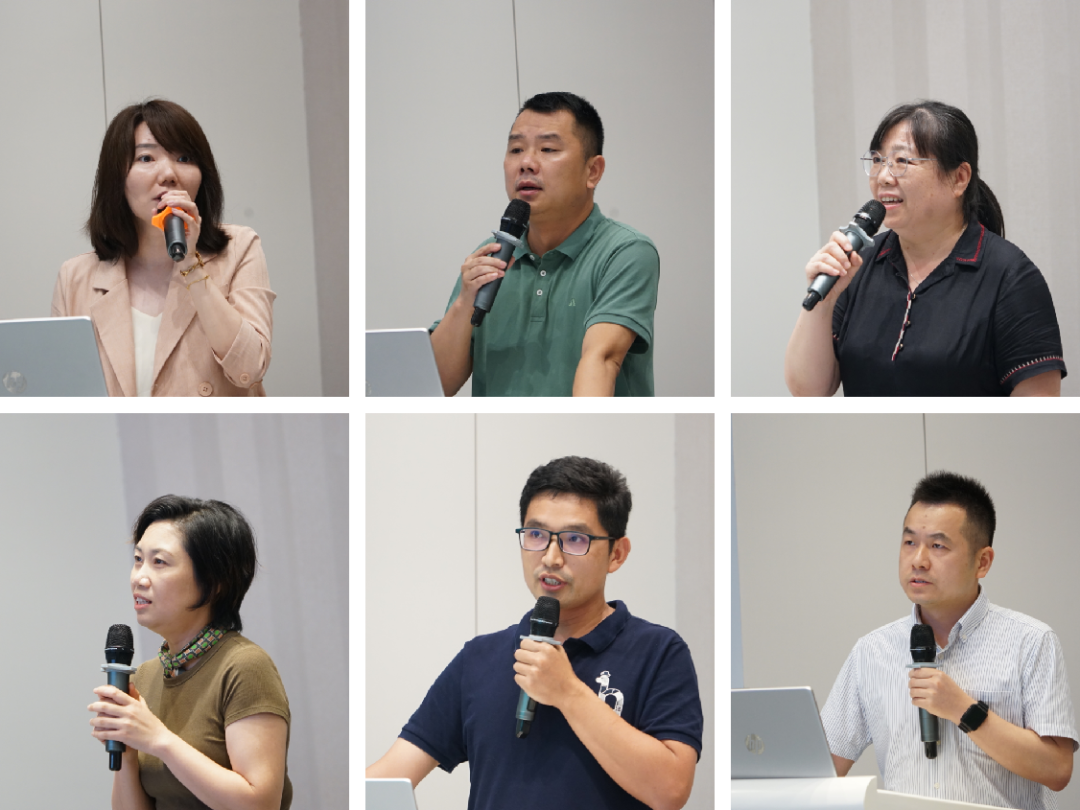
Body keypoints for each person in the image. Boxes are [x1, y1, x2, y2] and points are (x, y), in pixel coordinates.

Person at [366, 456, 703, 809]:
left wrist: (568, 692)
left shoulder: (659, 651)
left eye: (575, 539)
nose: (551, 558)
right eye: (537, 535)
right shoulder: (479, 658)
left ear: (616, 554)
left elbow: (670, 790)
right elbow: (391, 775)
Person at [821, 471, 1077, 808]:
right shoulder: (871, 651)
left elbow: (1057, 770)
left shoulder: (1031, 642)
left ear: (982, 562)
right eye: (910, 542)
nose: (918, 560)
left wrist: (963, 709)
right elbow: (823, 770)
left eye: (938, 546)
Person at [785, 100, 1066, 397]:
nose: (883, 176)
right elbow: (809, 391)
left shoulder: (1011, 276)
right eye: (878, 160)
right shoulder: (858, 264)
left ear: (959, 178)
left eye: (902, 161)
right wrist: (825, 301)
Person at [429, 92, 659, 397]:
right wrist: (463, 303)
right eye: (516, 149)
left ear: (593, 171)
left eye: (548, 149)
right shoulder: (490, 256)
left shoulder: (624, 252)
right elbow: (432, 388)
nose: (526, 163)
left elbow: (602, 359)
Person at [53, 98, 275, 396]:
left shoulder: (240, 248)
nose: (169, 174)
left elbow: (250, 367)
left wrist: (191, 265)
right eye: (146, 158)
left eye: (184, 158)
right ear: (116, 177)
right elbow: (62, 389)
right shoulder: (75, 277)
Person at [88, 495, 293, 808]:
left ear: (213, 581)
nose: (139, 577)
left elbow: (259, 804)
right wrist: (127, 751)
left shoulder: (244, 666)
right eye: (138, 559)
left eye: (159, 562)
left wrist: (158, 739)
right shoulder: (145, 676)